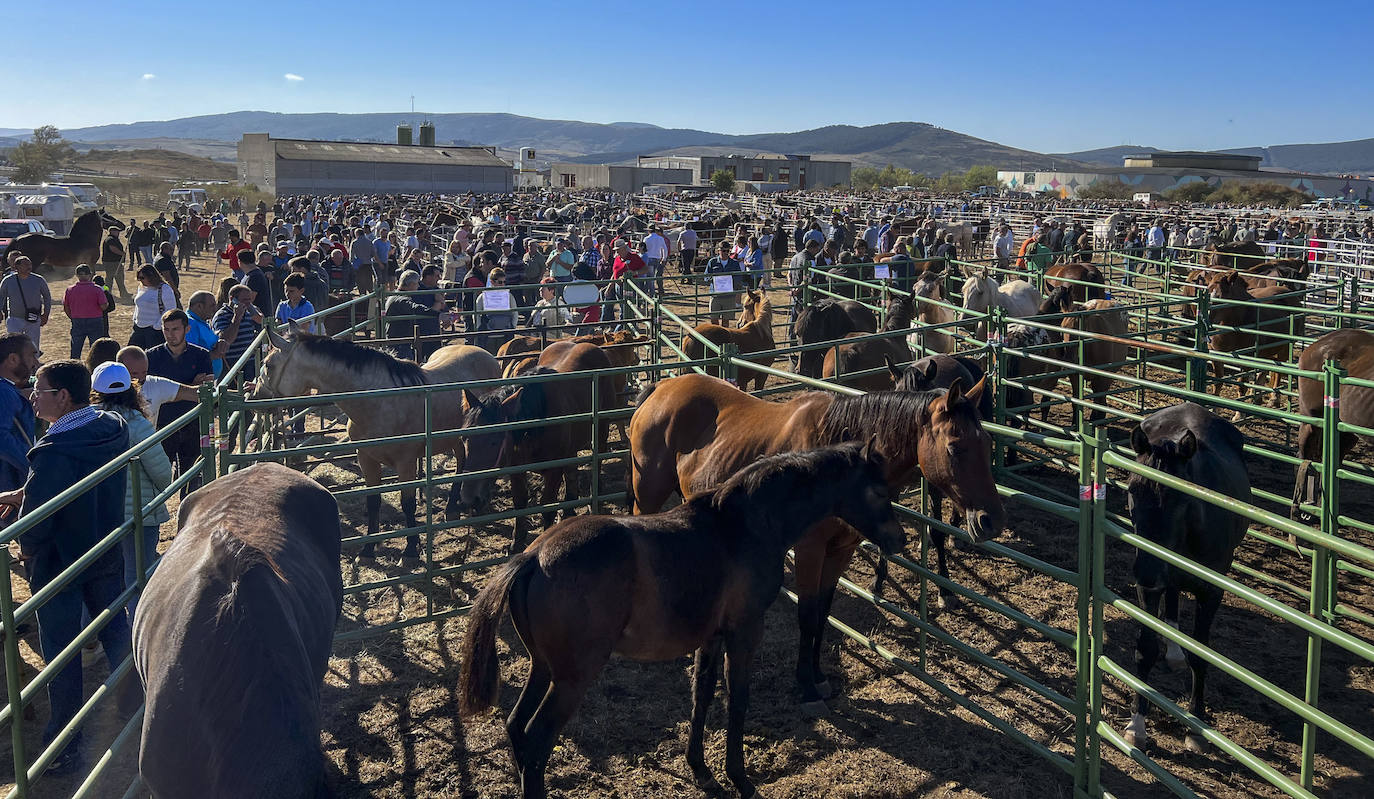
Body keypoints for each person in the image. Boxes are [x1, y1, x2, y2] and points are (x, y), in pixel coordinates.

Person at [0, 360, 132, 775]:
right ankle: (144, 703)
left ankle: (65, 742)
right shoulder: (110, 425)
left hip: (59, 564)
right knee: (116, 631)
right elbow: (70, 485)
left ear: (63, 396)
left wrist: (27, 544)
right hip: (103, 546)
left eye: (39, 389)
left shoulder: (53, 450)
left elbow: (41, 520)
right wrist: (26, 492)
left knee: (60, 656)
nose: (32, 396)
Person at [90, 361, 173, 621]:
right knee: (137, 575)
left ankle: (92, 637)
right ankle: (139, 630)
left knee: (99, 575)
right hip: (140, 512)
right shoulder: (137, 423)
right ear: (132, 389)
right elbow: (160, 470)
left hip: (98, 514)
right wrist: (163, 490)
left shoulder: (87, 423)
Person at [145, 310, 214, 488]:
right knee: (159, 473)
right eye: (166, 329)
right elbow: (150, 389)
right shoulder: (151, 356)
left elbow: (206, 389)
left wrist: (169, 391)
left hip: (192, 421)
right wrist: (191, 384)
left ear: (187, 329)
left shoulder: (201, 355)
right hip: (163, 423)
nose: (170, 334)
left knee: (191, 473)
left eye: (175, 329)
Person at [0, 333, 37, 496]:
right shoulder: (3, 392)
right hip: (10, 484)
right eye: (31, 356)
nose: (35, 363)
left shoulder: (7, 389)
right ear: (13, 359)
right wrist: (32, 466)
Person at [383, 270, 443, 362]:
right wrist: (438, 314)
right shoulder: (402, 300)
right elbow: (416, 308)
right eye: (416, 284)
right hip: (400, 343)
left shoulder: (395, 296)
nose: (418, 286)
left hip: (397, 339)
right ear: (411, 284)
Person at [211, 284, 264, 382]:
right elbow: (225, 339)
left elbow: (262, 321)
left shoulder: (250, 310)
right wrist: (237, 318)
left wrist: (255, 312)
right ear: (232, 299)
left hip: (250, 360)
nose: (248, 303)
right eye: (244, 300)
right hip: (232, 363)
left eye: (250, 299)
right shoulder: (222, 315)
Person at [0, 253, 52, 353]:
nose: (29, 267)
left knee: (33, 345)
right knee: (13, 345)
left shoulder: (39, 280)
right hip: (15, 319)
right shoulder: (8, 280)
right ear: (16, 267)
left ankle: (33, 366)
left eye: (30, 264)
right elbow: (1, 296)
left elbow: (47, 297)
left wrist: (46, 314)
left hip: (33, 318)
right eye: (25, 264)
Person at [62, 265, 110, 360]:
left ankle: (74, 367)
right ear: (90, 274)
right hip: (95, 320)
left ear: (77, 275)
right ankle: (94, 366)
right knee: (95, 348)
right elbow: (103, 306)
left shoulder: (70, 290)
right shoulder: (97, 289)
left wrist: (72, 317)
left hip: (77, 320)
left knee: (76, 348)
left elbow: (66, 306)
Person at [130, 265, 176, 348]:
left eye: (142, 278)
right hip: (138, 328)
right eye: (138, 278)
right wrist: (135, 320)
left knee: (153, 358)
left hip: (154, 332)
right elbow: (138, 305)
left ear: (151, 276)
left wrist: (157, 326)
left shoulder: (164, 289)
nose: (140, 281)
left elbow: (170, 310)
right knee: (131, 355)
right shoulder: (142, 287)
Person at [473, 267, 516, 354]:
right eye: (500, 282)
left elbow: (515, 312)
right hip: (489, 335)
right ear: (492, 282)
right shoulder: (483, 296)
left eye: (504, 282)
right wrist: (479, 327)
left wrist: (512, 327)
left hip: (505, 334)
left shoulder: (509, 296)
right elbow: (476, 313)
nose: (503, 284)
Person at [702, 242, 743, 326]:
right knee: (713, 319)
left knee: (726, 320)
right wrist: (714, 280)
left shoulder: (734, 263)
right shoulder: (712, 262)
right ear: (718, 251)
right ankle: (716, 337)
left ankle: (723, 338)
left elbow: (739, 277)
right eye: (723, 250)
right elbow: (706, 276)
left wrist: (730, 281)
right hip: (715, 295)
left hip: (729, 296)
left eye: (727, 251)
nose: (725, 253)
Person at [100, 227, 130, 301]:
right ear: (112, 231)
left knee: (116, 279)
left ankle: (123, 293)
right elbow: (113, 248)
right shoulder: (110, 239)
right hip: (112, 263)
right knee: (113, 279)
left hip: (114, 262)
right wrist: (122, 253)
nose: (118, 233)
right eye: (117, 231)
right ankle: (107, 293)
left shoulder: (113, 239)